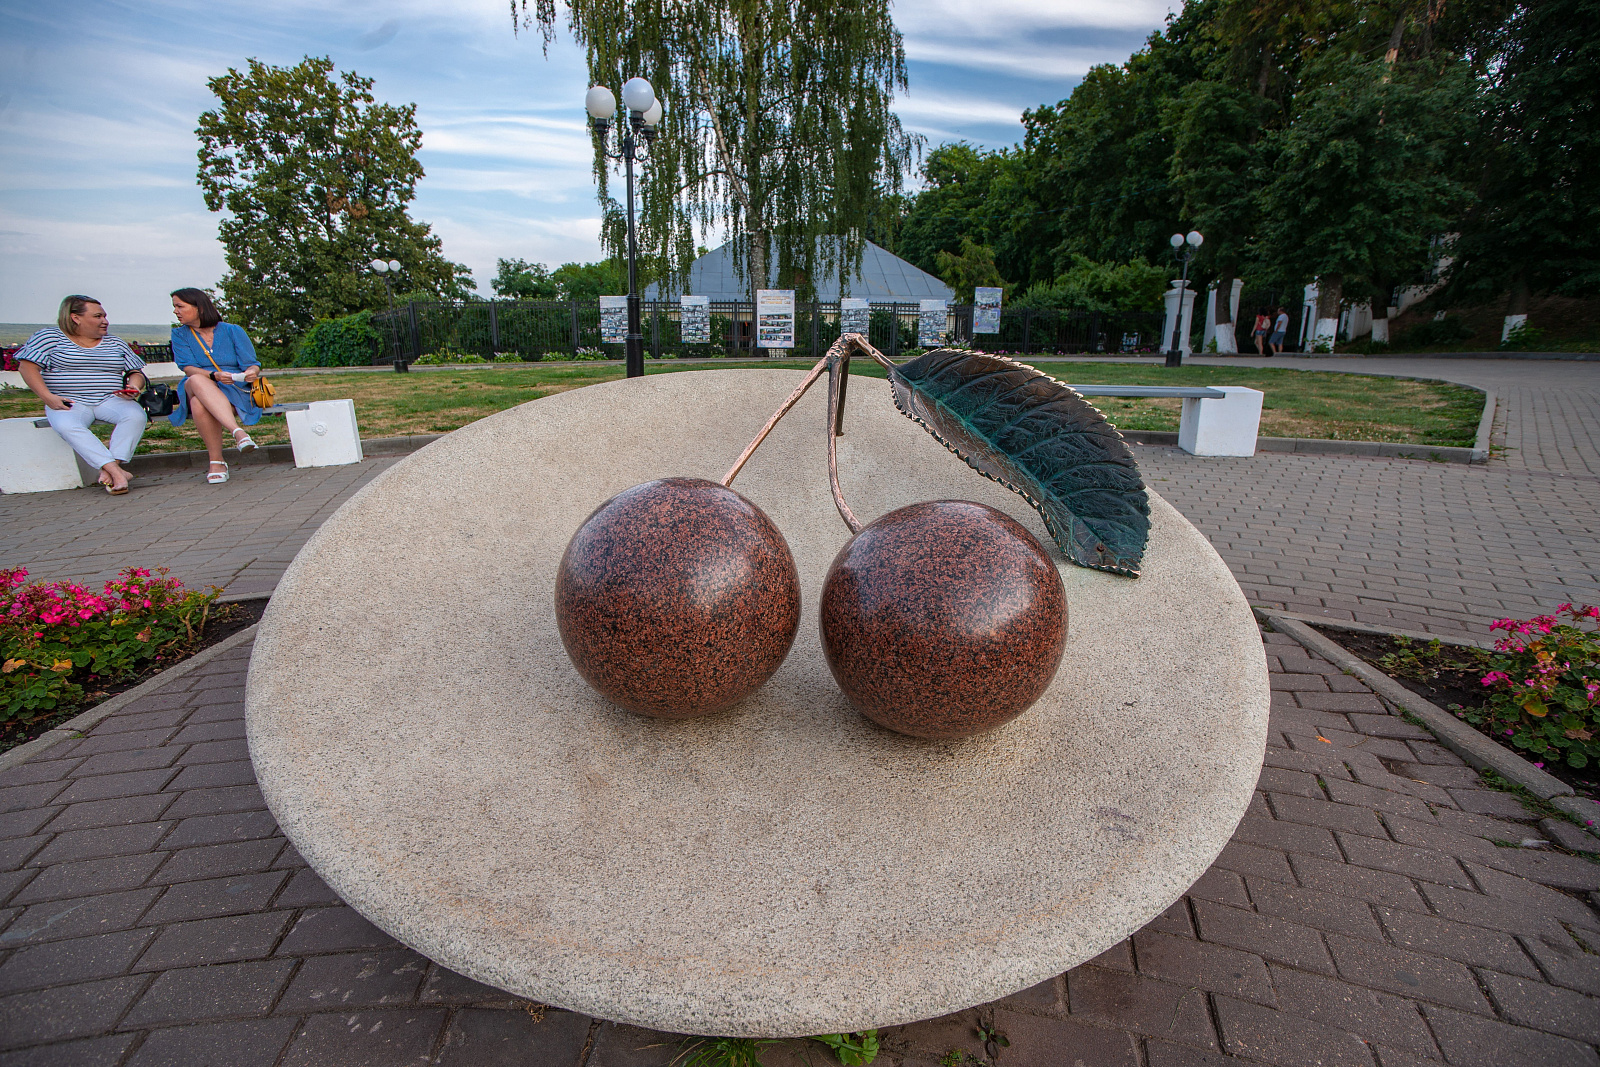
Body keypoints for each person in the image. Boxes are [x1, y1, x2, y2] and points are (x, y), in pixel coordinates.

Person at [15, 295, 147, 494]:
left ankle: (112, 468)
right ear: (76, 317)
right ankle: (116, 472)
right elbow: (27, 367)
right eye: (98, 316)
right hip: (68, 400)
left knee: (135, 415)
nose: (105, 321)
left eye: (105, 316)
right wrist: (47, 397)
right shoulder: (49, 338)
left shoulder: (115, 343)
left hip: (110, 399)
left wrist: (134, 387)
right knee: (67, 425)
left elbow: (135, 372)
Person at [168, 288, 262, 484]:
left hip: (232, 387)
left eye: (180, 306)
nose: (176, 311)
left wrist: (251, 373)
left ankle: (217, 462)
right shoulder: (180, 335)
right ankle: (238, 432)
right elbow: (187, 367)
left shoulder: (232, 330)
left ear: (199, 307)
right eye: (174, 307)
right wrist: (214, 375)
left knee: (198, 405)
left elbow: (251, 363)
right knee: (196, 380)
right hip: (199, 381)